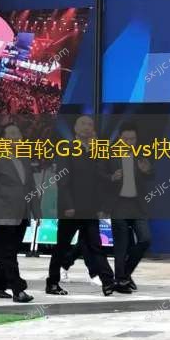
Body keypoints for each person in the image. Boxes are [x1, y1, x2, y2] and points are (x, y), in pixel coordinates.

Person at [47, 115, 115, 296]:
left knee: (96, 246)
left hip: (90, 208)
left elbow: (100, 181)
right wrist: (68, 205)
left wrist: (101, 207)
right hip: (71, 209)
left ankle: (108, 282)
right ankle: (52, 283)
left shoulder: (96, 151)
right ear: (75, 129)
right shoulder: (66, 149)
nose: (87, 127)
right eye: (83, 124)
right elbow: (63, 180)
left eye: (90, 124)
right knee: (62, 246)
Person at [0, 123, 40, 303]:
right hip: (0, 214)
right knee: (8, 255)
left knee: (9, 253)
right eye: (11, 134)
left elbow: (31, 187)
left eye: (18, 133)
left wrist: (37, 211)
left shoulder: (24, 158)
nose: (16, 137)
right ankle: (18, 290)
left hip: (21, 213)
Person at [100, 122, 154, 294]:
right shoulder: (110, 153)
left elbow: (151, 174)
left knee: (145, 239)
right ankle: (122, 280)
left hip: (137, 205)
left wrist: (147, 171)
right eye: (126, 139)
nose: (129, 142)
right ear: (119, 138)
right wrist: (111, 177)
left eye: (132, 139)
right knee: (121, 245)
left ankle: (123, 275)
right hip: (119, 204)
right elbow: (100, 176)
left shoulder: (142, 153)